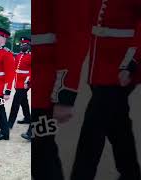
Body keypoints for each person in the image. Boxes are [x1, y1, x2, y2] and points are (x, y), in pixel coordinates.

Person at [70, 1, 141, 179]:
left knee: (93, 126)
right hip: (99, 65)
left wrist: (131, 64)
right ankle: (130, 173)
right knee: (117, 124)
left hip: (122, 66)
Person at [28, 0, 91, 179]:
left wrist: (64, 95)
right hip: (35, 86)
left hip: (45, 89)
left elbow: (75, 40)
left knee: (41, 151)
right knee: (42, 153)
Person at [7, 37, 31, 128]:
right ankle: (28, 118)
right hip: (17, 82)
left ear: (28, 45)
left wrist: (27, 81)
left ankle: (9, 123)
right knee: (23, 101)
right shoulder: (19, 56)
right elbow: (14, 65)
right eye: (21, 44)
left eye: (24, 44)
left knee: (15, 103)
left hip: (25, 83)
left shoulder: (30, 56)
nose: (22, 46)